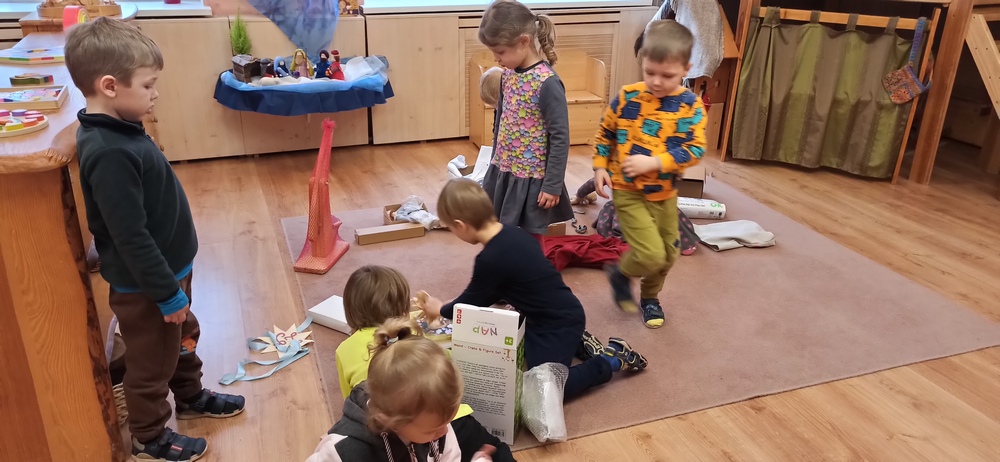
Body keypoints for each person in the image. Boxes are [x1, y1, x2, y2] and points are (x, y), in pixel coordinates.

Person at [65, 17, 245, 462]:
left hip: (169, 274)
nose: (155, 93)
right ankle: (149, 436)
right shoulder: (108, 150)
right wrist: (166, 294)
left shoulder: (120, 129)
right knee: (152, 363)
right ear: (110, 86)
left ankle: (190, 396)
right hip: (150, 287)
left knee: (183, 338)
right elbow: (128, 234)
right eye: (148, 85)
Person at [417, 179, 648, 403]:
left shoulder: (489, 259)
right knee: (515, 353)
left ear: (461, 225)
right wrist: (456, 304)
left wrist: (441, 309)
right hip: (550, 313)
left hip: (557, 322)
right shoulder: (514, 232)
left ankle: (611, 359)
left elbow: (471, 302)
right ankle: (577, 342)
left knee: (546, 388)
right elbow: (492, 290)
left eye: (452, 229)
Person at [335, 266, 515, 462]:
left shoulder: (345, 349)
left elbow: (354, 398)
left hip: (419, 427)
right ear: (404, 309)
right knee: (496, 451)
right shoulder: (413, 334)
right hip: (453, 418)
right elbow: (445, 363)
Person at [593, 20, 707, 328]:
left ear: (686, 68)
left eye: (667, 75)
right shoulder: (628, 97)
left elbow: (696, 149)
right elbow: (606, 133)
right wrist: (600, 165)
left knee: (669, 254)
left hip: (665, 194)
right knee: (651, 254)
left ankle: (650, 298)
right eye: (649, 72)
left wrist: (655, 162)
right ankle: (620, 272)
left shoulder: (691, 106)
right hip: (627, 191)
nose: (656, 82)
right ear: (642, 61)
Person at [308, 319, 496, 462]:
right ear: (388, 419)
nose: (445, 431)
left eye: (446, 422)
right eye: (433, 429)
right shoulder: (344, 452)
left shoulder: (437, 429)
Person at [477, 0, 573, 246]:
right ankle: (507, 265)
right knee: (500, 229)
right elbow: (501, 120)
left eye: (500, 52)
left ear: (524, 41)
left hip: (532, 176)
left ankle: (532, 270)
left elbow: (560, 138)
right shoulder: (507, 75)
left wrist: (552, 185)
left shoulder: (547, 82)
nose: (496, 59)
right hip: (504, 168)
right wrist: (495, 161)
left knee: (530, 237)